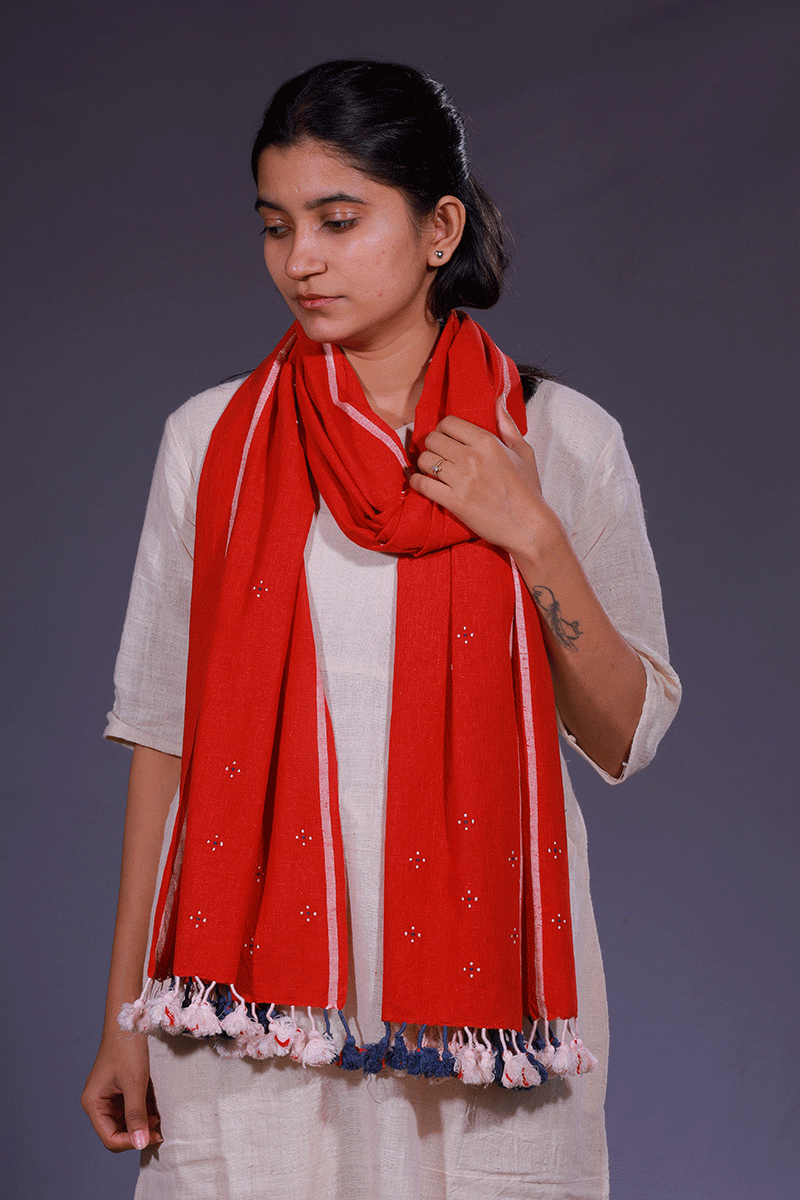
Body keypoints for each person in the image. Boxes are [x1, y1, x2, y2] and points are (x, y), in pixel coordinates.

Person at [81, 59, 680, 1200]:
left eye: (338, 220)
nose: (299, 260)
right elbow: (163, 736)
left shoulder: (560, 439)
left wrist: (532, 534)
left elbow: (624, 733)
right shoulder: (212, 442)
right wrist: (124, 1016)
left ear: (439, 227)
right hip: (244, 1014)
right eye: (276, 226)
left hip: (483, 1020)